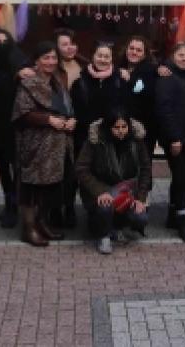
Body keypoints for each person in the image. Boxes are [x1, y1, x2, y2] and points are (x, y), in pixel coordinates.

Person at [11, 42, 75, 246]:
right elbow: (21, 113)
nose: (51, 62)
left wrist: (72, 119)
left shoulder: (58, 81)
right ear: (36, 61)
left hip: (57, 145)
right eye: (46, 58)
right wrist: (48, 120)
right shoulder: (28, 82)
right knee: (31, 188)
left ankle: (42, 223)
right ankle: (28, 229)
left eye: (54, 58)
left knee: (50, 188)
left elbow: (67, 108)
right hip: (35, 145)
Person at [75, 108, 152, 255]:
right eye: (116, 127)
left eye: (124, 127)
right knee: (105, 205)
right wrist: (100, 191)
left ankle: (117, 227)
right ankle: (104, 235)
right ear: (108, 127)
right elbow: (81, 169)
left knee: (140, 217)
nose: (121, 131)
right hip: (101, 189)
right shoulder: (95, 140)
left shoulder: (137, 140)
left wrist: (141, 198)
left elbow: (145, 169)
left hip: (127, 190)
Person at [68, 41, 125, 225]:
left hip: (111, 139)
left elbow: (125, 108)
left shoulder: (120, 80)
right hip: (85, 139)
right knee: (85, 175)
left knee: (109, 174)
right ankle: (91, 212)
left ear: (111, 59)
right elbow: (74, 110)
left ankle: (111, 214)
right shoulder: (80, 82)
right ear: (92, 56)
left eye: (106, 56)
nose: (102, 59)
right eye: (99, 55)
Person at [155, 42, 185, 244]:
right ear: (173, 57)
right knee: (182, 179)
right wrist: (174, 138)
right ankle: (183, 220)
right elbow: (164, 111)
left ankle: (172, 216)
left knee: (182, 178)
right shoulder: (167, 78)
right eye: (181, 55)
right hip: (177, 140)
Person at [0, 28, 24, 228]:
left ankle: (17, 203)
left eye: (4, 40)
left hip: (17, 124)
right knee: (3, 167)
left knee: (17, 166)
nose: (1, 44)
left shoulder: (19, 61)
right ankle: (8, 203)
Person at [52, 28, 87, 228]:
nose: (70, 47)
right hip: (57, 127)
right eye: (64, 44)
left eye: (72, 43)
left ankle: (71, 208)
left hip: (79, 127)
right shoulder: (51, 67)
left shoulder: (85, 65)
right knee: (59, 172)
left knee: (74, 173)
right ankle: (56, 210)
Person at [120, 36, 160, 149]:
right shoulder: (118, 68)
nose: (134, 52)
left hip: (143, 129)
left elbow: (139, 90)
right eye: (131, 48)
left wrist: (129, 79)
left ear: (145, 54)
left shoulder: (150, 71)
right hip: (120, 127)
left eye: (138, 50)